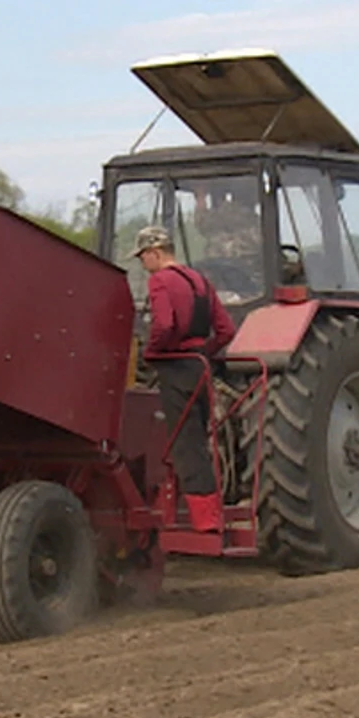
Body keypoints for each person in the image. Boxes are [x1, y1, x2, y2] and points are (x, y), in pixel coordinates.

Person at [132, 225, 238, 532]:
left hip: (175, 367)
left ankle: (205, 521)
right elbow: (226, 330)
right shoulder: (201, 281)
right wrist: (205, 352)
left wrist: (152, 354)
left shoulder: (160, 281)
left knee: (184, 444)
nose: (143, 264)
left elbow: (164, 325)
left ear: (154, 253)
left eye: (143, 258)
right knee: (198, 441)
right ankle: (206, 510)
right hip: (200, 368)